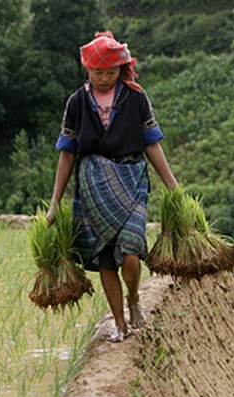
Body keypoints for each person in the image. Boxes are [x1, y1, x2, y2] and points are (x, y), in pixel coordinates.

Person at [47, 31, 178, 342]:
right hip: (92, 184)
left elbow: (152, 144)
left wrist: (173, 187)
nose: (104, 78)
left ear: (120, 69)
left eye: (110, 72)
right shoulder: (77, 103)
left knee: (131, 251)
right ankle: (119, 324)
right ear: (87, 71)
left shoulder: (135, 97)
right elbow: (67, 153)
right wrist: (55, 202)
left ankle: (134, 299)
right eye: (97, 72)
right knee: (106, 256)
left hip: (131, 178)